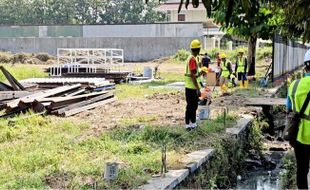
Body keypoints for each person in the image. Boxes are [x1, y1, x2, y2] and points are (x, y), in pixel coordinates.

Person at [286, 49, 310, 189]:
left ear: (305, 66)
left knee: (302, 170)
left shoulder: (294, 85)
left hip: (299, 135)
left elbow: (289, 107)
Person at [184, 39, 202, 130]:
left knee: (193, 106)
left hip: (190, 86)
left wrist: (200, 73)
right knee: (191, 106)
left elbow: (195, 74)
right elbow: (192, 75)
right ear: (198, 49)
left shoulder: (192, 58)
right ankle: (188, 124)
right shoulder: (192, 59)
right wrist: (198, 88)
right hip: (191, 87)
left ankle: (193, 123)